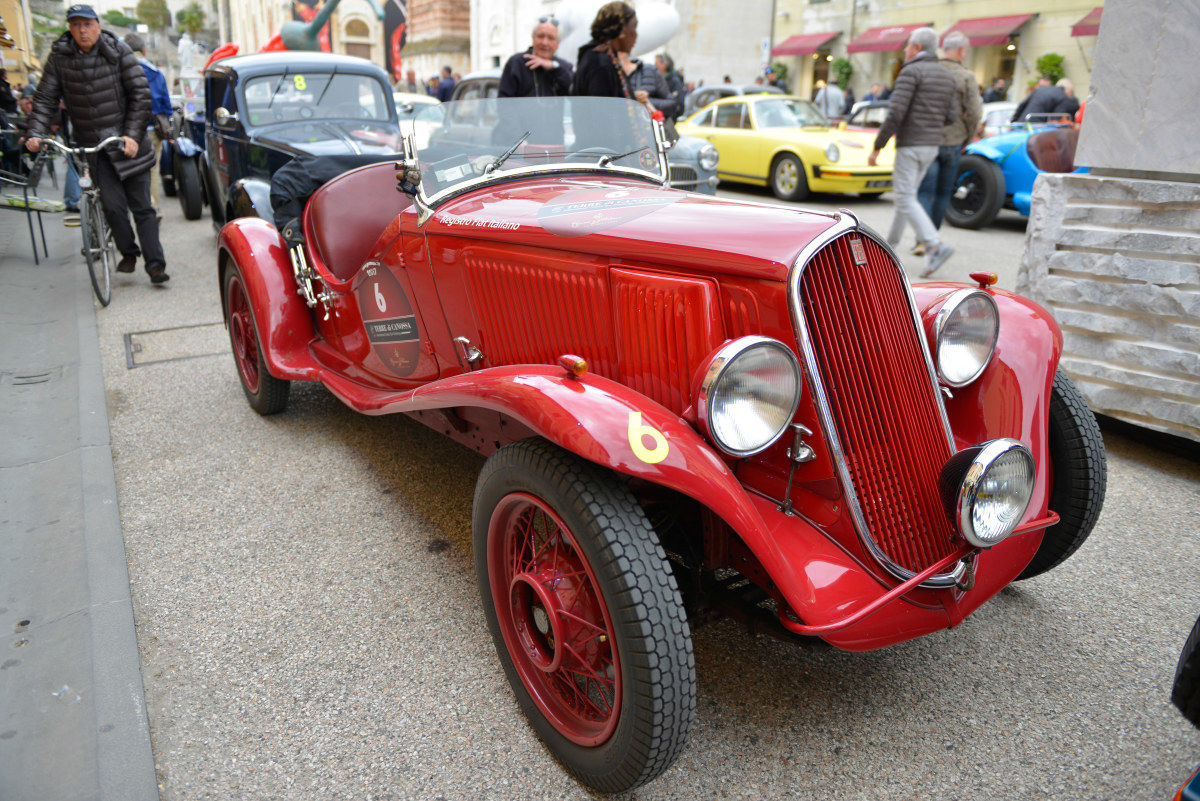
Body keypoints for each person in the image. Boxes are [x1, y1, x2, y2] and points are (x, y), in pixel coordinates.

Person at [25, 4, 167, 283]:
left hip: (128, 143)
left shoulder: (119, 51)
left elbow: (140, 94)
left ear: (98, 26)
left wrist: (132, 134)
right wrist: (36, 132)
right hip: (95, 147)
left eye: (88, 24)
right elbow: (45, 98)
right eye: (76, 25)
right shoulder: (59, 58)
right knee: (112, 207)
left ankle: (156, 266)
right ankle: (128, 252)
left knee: (142, 207)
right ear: (70, 28)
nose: (83, 31)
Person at [867, 26, 958, 277]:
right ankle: (889, 248)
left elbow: (895, 113)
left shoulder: (911, 71)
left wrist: (878, 146)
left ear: (916, 47)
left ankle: (934, 245)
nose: (906, 50)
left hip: (911, 144)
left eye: (908, 45)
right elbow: (951, 116)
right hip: (931, 145)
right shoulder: (946, 75)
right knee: (906, 198)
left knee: (905, 197)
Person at [913, 31, 982, 247]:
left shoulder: (930, 71)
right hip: (953, 140)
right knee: (943, 192)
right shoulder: (966, 76)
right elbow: (975, 112)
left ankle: (921, 240)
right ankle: (931, 238)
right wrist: (968, 136)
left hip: (927, 138)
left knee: (925, 190)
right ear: (962, 51)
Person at [571, 1, 655, 117]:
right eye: (634, 27)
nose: (636, 35)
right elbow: (601, 116)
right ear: (621, 30)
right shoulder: (600, 62)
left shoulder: (602, 57)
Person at [124, 33, 171, 214]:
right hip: (153, 128)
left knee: (133, 169)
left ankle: (142, 206)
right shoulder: (155, 72)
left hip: (129, 131)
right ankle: (153, 206)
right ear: (144, 51)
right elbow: (166, 105)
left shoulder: (122, 70)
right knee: (153, 168)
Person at [498, 17, 573, 98]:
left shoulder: (564, 66)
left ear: (558, 43)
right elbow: (503, 102)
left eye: (551, 38)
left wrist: (553, 66)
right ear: (533, 38)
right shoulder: (516, 63)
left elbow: (572, 90)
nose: (545, 42)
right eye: (540, 36)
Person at [655, 54, 685, 122]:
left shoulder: (674, 81)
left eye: (656, 63)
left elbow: (679, 103)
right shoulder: (662, 79)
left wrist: (668, 117)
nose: (655, 66)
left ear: (664, 64)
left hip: (667, 120)